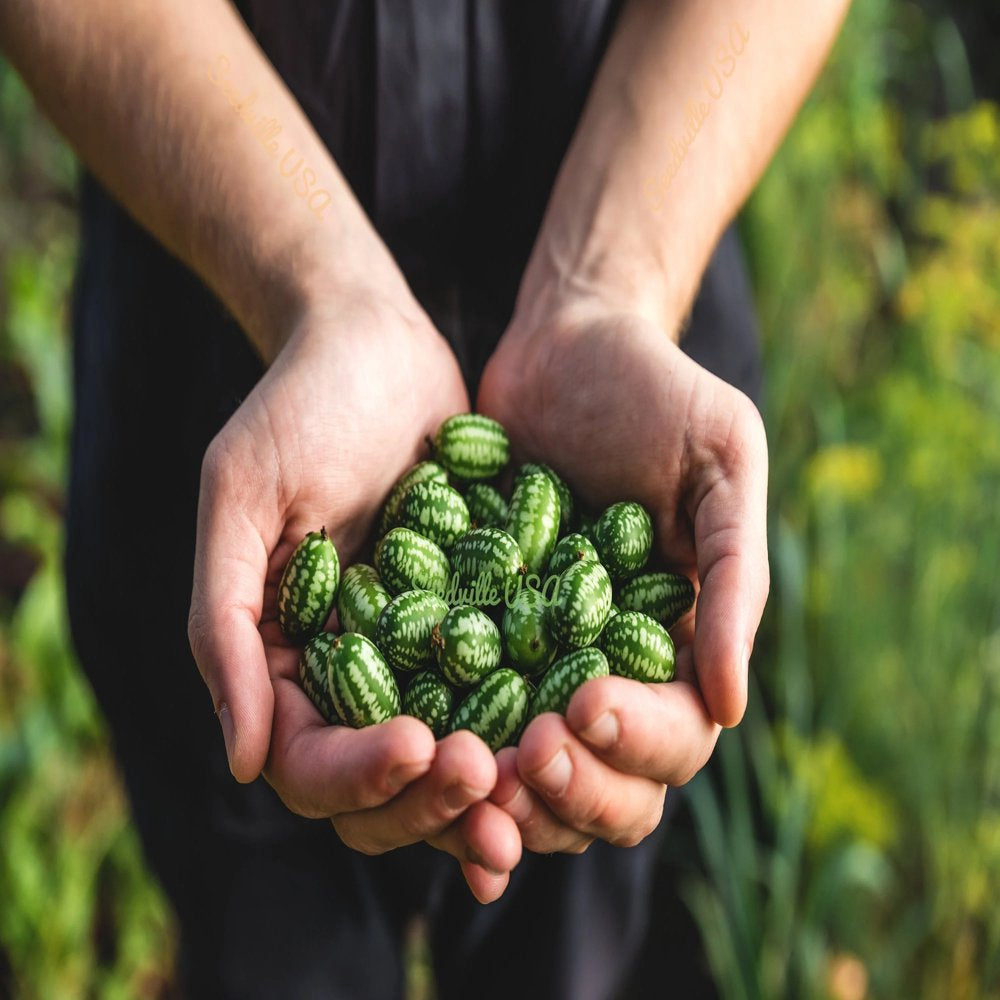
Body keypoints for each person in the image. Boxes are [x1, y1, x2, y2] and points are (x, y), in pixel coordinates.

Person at [1, 1, 848, 996]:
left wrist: (609, 281)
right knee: (262, 939)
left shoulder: (593, 530)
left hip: (635, 333)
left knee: (573, 934)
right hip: (221, 336)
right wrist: (319, 286)